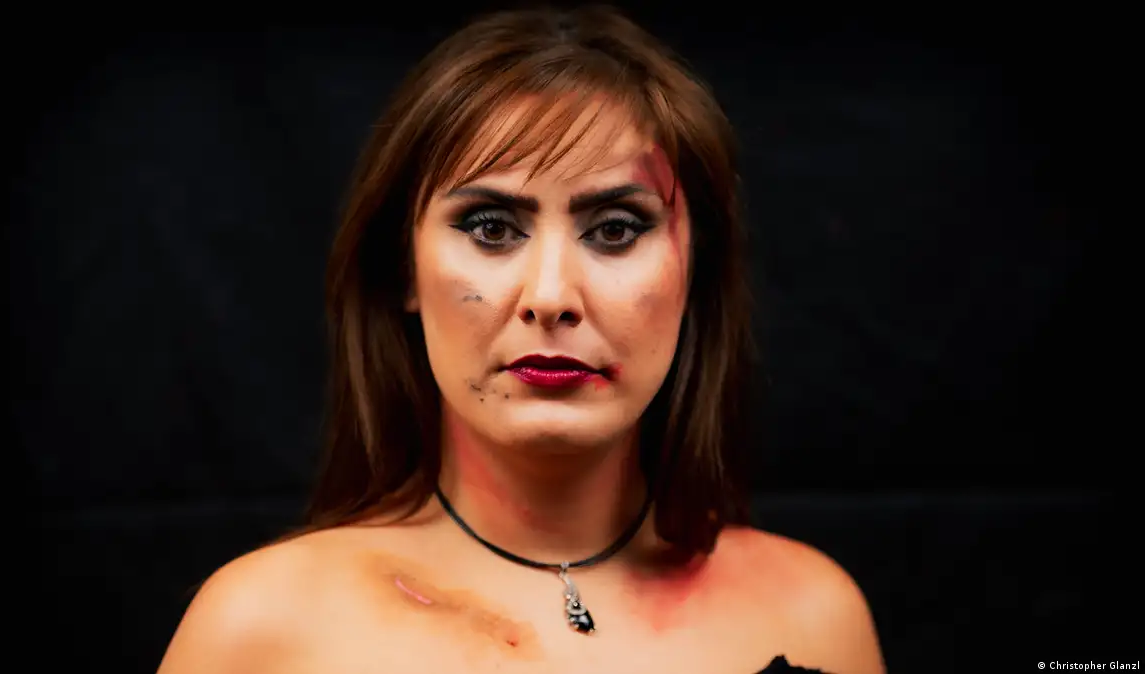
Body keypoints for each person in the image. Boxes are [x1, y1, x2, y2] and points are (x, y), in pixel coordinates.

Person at [157, 5, 886, 673]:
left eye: (615, 229)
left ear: (693, 270)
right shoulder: (264, 630)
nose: (550, 297)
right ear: (403, 269)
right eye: (491, 228)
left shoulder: (813, 615)